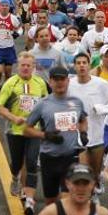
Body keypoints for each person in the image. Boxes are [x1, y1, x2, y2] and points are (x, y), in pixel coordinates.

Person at [23, 66, 89, 206]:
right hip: (49, 158)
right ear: (50, 82)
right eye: (56, 79)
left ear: (68, 81)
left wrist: (83, 133)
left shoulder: (76, 102)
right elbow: (26, 130)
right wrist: (45, 135)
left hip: (70, 157)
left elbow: (83, 119)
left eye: (62, 79)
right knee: (51, 202)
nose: (59, 83)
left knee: (66, 199)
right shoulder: (42, 104)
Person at [0, 52, 49, 215]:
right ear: (18, 66)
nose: (25, 68)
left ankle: (28, 198)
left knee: (31, 162)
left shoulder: (40, 83)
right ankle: (15, 177)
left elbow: (46, 104)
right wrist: (13, 117)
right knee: (17, 163)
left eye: (28, 65)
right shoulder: (11, 83)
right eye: (23, 65)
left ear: (33, 67)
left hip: (34, 130)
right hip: (15, 130)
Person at [67, 52, 108, 185]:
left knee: (95, 171)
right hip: (78, 135)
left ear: (89, 65)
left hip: (98, 134)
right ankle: (89, 196)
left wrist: (102, 109)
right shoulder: (69, 84)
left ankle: (96, 186)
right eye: (78, 63)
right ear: (74, 66)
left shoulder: (101, 84)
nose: (82, 66)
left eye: (84, 63)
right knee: (83, 170)